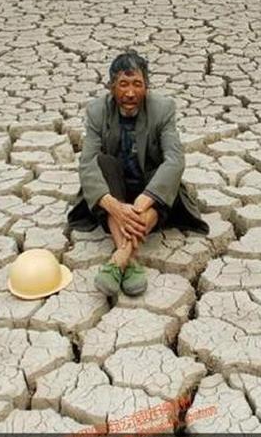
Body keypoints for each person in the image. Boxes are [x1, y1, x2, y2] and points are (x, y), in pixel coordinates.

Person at [67, 50, 209, 297]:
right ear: (112, 87)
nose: (130, 93)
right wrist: (112, 204)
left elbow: (174, 160)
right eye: (123, 84)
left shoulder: (162, 109)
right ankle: (129, 261)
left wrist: (141, 203)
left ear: (147, 86)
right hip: (115, 187)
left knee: (165, 180)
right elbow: (88, 162)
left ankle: (120, 259)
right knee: (103, 163)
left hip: (150, 191)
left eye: (137, 84)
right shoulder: (97, 111)